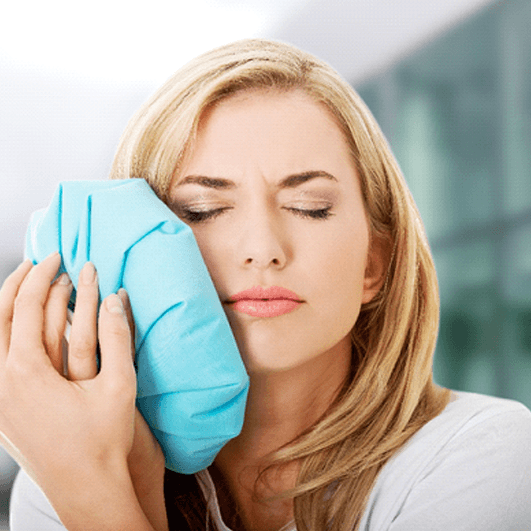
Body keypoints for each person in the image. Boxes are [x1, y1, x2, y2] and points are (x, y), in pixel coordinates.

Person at [2, 39, 531, 531]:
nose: (263, 247)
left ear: (375, 265)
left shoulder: (490, 455)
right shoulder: (55, 478)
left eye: (310, 208)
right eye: (202, 210)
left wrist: (94, 495)